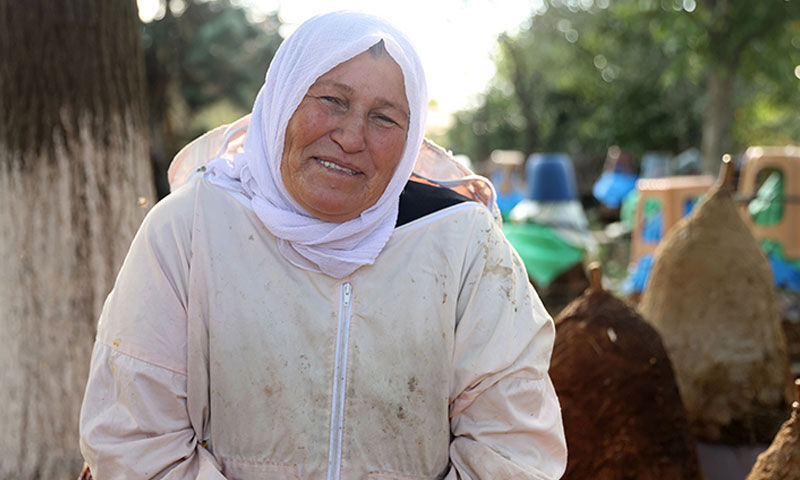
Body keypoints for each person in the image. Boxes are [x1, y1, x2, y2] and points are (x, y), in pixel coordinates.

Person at [79, 11, 567, 480]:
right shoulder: (189, 227)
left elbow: (515, 447)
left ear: (411, 137)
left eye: (385, 118)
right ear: (283, 98)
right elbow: (135, 439)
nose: (352, 136)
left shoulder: (463, 245)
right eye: (332, 100)